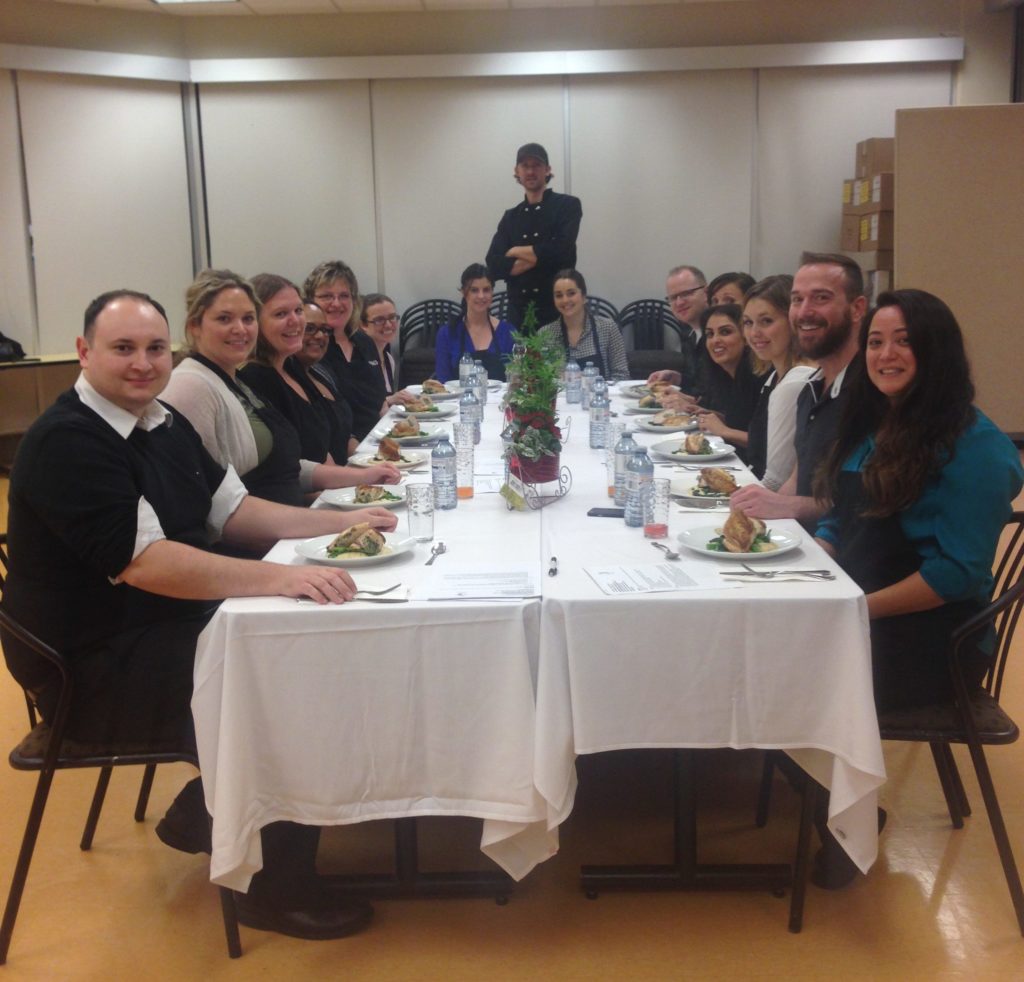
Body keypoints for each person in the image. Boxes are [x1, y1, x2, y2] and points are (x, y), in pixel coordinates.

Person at [0, 289, 398, 939]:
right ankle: (271, 884)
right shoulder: (71, 441)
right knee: (284, 677)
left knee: (300, 644)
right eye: (122, 348)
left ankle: (210, 811)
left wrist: (343, 519)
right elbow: (148, 563)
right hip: (89, 661)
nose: (142, 363)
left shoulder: (160, 421)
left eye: (155, 348)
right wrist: (285, 576)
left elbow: (234, 512)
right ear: (83, 352)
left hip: (156, 621)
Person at [810, 289, 1023, 889]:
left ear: (938, 351)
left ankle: (849, 816)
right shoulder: (875, 421)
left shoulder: (976, 447)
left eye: (904, 340)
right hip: (860, 611)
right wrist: (818, 563)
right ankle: (838, 800)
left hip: (935, 641)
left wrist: (851, 611)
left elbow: (955, 573)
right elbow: (837, 520)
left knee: (780, 676)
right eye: (876, 340)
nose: (886, 353)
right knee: (756, 659)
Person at [730, 252, 866, 526]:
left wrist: (784, 506)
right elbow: (795, 479)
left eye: (821, 298)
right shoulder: (811, 388)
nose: (804, 312)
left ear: (857, 309)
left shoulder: (868, 393)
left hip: (837, 559)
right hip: (803, 544)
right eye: (797, 300)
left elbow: (862, 505)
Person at [238, 274, 400, 491]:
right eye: (280, 314)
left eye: (297, 311)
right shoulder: (256, 379)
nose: (295, 321)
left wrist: (368, 473)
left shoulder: (294, 369)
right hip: (303, 506)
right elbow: (275, 475)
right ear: (255, 321)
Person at [162, 269, 307, 509]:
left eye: (248, 319)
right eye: (224, 319)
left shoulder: (235, 380)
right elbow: (214, 505)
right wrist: (327, 521)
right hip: (255, 540)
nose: (240, 329)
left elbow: (282, 466)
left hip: (282, 525)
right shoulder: (190, 387)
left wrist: (361, 476)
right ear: (195, 326)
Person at [485, 143, 582, 328]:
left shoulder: (567, 206)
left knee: (556, 358)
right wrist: (543, 256)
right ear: (517, 171)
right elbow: (494, 264)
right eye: (525, 166)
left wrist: (515, 250)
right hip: (518, 315)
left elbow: (562, 250)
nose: (530, 171)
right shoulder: (510, 217)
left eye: (536, 165)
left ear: (547, 170)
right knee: (519, 358)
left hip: (558, 311)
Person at [741, 275, 817, 488]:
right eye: (748, 322)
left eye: (766, 321)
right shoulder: (774, 376)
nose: (754, 333)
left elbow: (776, 481)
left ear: (793, 321)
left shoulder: (795, 382)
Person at [302, 260, 389, 440]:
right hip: (342, 451)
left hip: (378, 442)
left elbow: (379, 402)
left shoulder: (364, 342)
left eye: (344, 295)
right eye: (326, 296)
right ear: (310, 301)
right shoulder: (309, 348)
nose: (337, 303)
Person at [690, 304, 761, 462]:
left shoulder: (758, 378)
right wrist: (713, 416)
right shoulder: (726, 377)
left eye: (725, 332)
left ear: (745, 337)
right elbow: (742, 422)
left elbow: (767, 443)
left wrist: (724, 430)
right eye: (710, 334)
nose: (715, 340)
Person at [294, 299, 359, 461]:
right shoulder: (287, 379)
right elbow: (315, 450)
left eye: (325, 329)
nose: (320, 336)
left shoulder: (321, 371)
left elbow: (345, 430)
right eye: (309, 329)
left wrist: (364, 459)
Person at [538, 269, 629, 382]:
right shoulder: (545, 334)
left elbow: (622, 376)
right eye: (559, 295)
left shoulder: (607, 327)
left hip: (600, 396)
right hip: (562, 398)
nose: (565, 300)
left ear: (584, 296)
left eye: (571, 293)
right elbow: (540, 380)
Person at [434, 263, 516, 383]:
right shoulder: (447, 334)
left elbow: (517, 379)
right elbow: (443, 382)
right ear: (464, 292)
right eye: (474, 290)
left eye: (486, 290)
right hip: (456, 401)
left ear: (492, 292)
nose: (481, 296)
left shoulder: (508, 332)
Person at [647, 264, 710, 400]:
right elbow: (698, 383)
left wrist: (692, 402)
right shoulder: (689, 334)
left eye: (686, 294)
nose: (679, 302)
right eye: (673, 297)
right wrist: (678, 378)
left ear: (706, 293)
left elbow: (718, 396)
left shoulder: (717, 337)